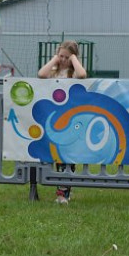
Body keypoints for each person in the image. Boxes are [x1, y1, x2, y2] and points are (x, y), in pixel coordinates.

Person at [37, 40, 87, 203]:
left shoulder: (73, 72)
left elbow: (82, 75)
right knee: (55, 154)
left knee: (67, 156)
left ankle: (64, 192)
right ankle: (60, 188)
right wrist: (54, 59)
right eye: (61, 56)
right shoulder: (53, 71)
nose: (63, 60)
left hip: (70, 118)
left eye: (67, 57)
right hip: (54, 117)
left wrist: (73, 59)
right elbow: (41, 74)